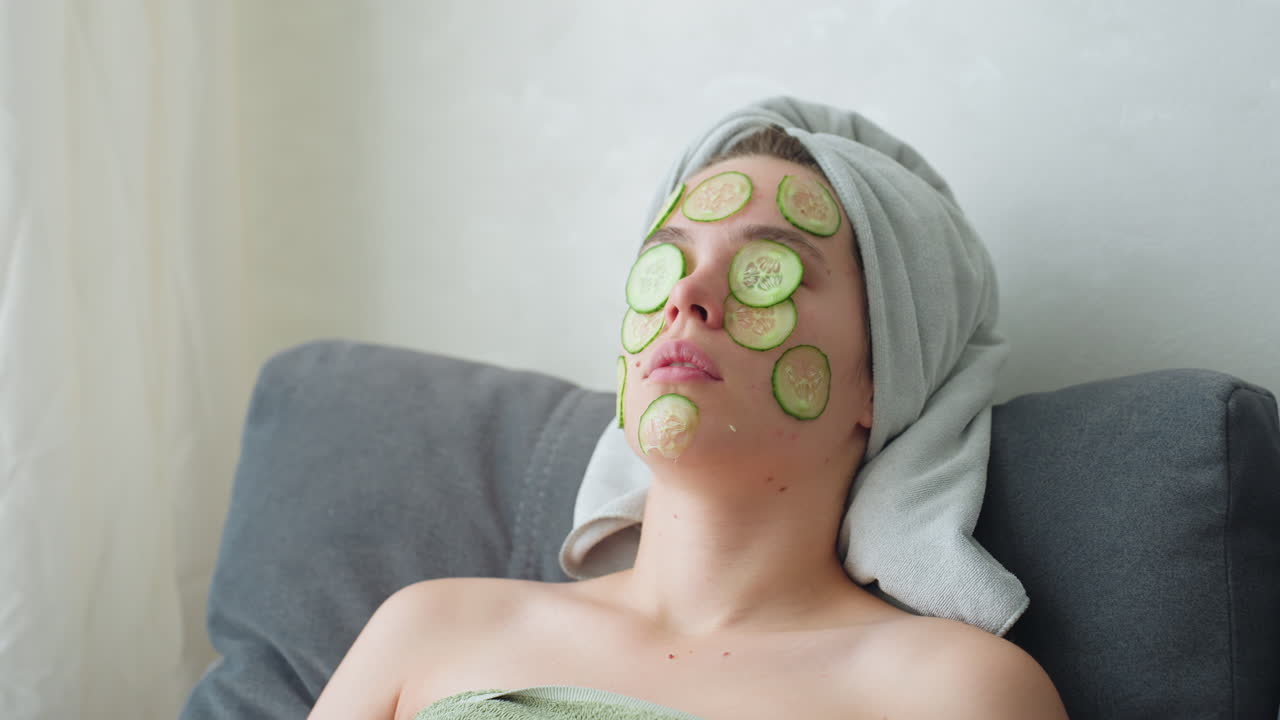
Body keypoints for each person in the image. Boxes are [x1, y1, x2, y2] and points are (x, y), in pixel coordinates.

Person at [308, 111, 1070, 719]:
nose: (687, 295)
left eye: (768, 270)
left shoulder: (955, 693)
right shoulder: (431, 627)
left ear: (886, 377)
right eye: (667, 257)